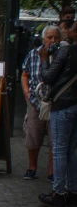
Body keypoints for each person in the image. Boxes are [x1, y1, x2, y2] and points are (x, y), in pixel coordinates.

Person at [38, 21, 77, 207]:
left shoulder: (65, 51)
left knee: (60, 149)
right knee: (70, 149)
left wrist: (44, 59)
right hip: (75, 104)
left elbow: (47, 77)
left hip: (63, 104)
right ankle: (73, 189)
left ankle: (59, 192)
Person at [21, 25, 60, 181]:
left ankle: (52, 171)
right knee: (33, 135)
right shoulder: (33, 54)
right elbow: (25, 74)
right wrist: (26, 91)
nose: (52, 40)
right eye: (49, 37)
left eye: (55, 37)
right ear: (43, 39)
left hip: (56, 101)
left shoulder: (63, 54)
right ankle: (32, 167)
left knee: (54, 137)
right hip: (35, 100)